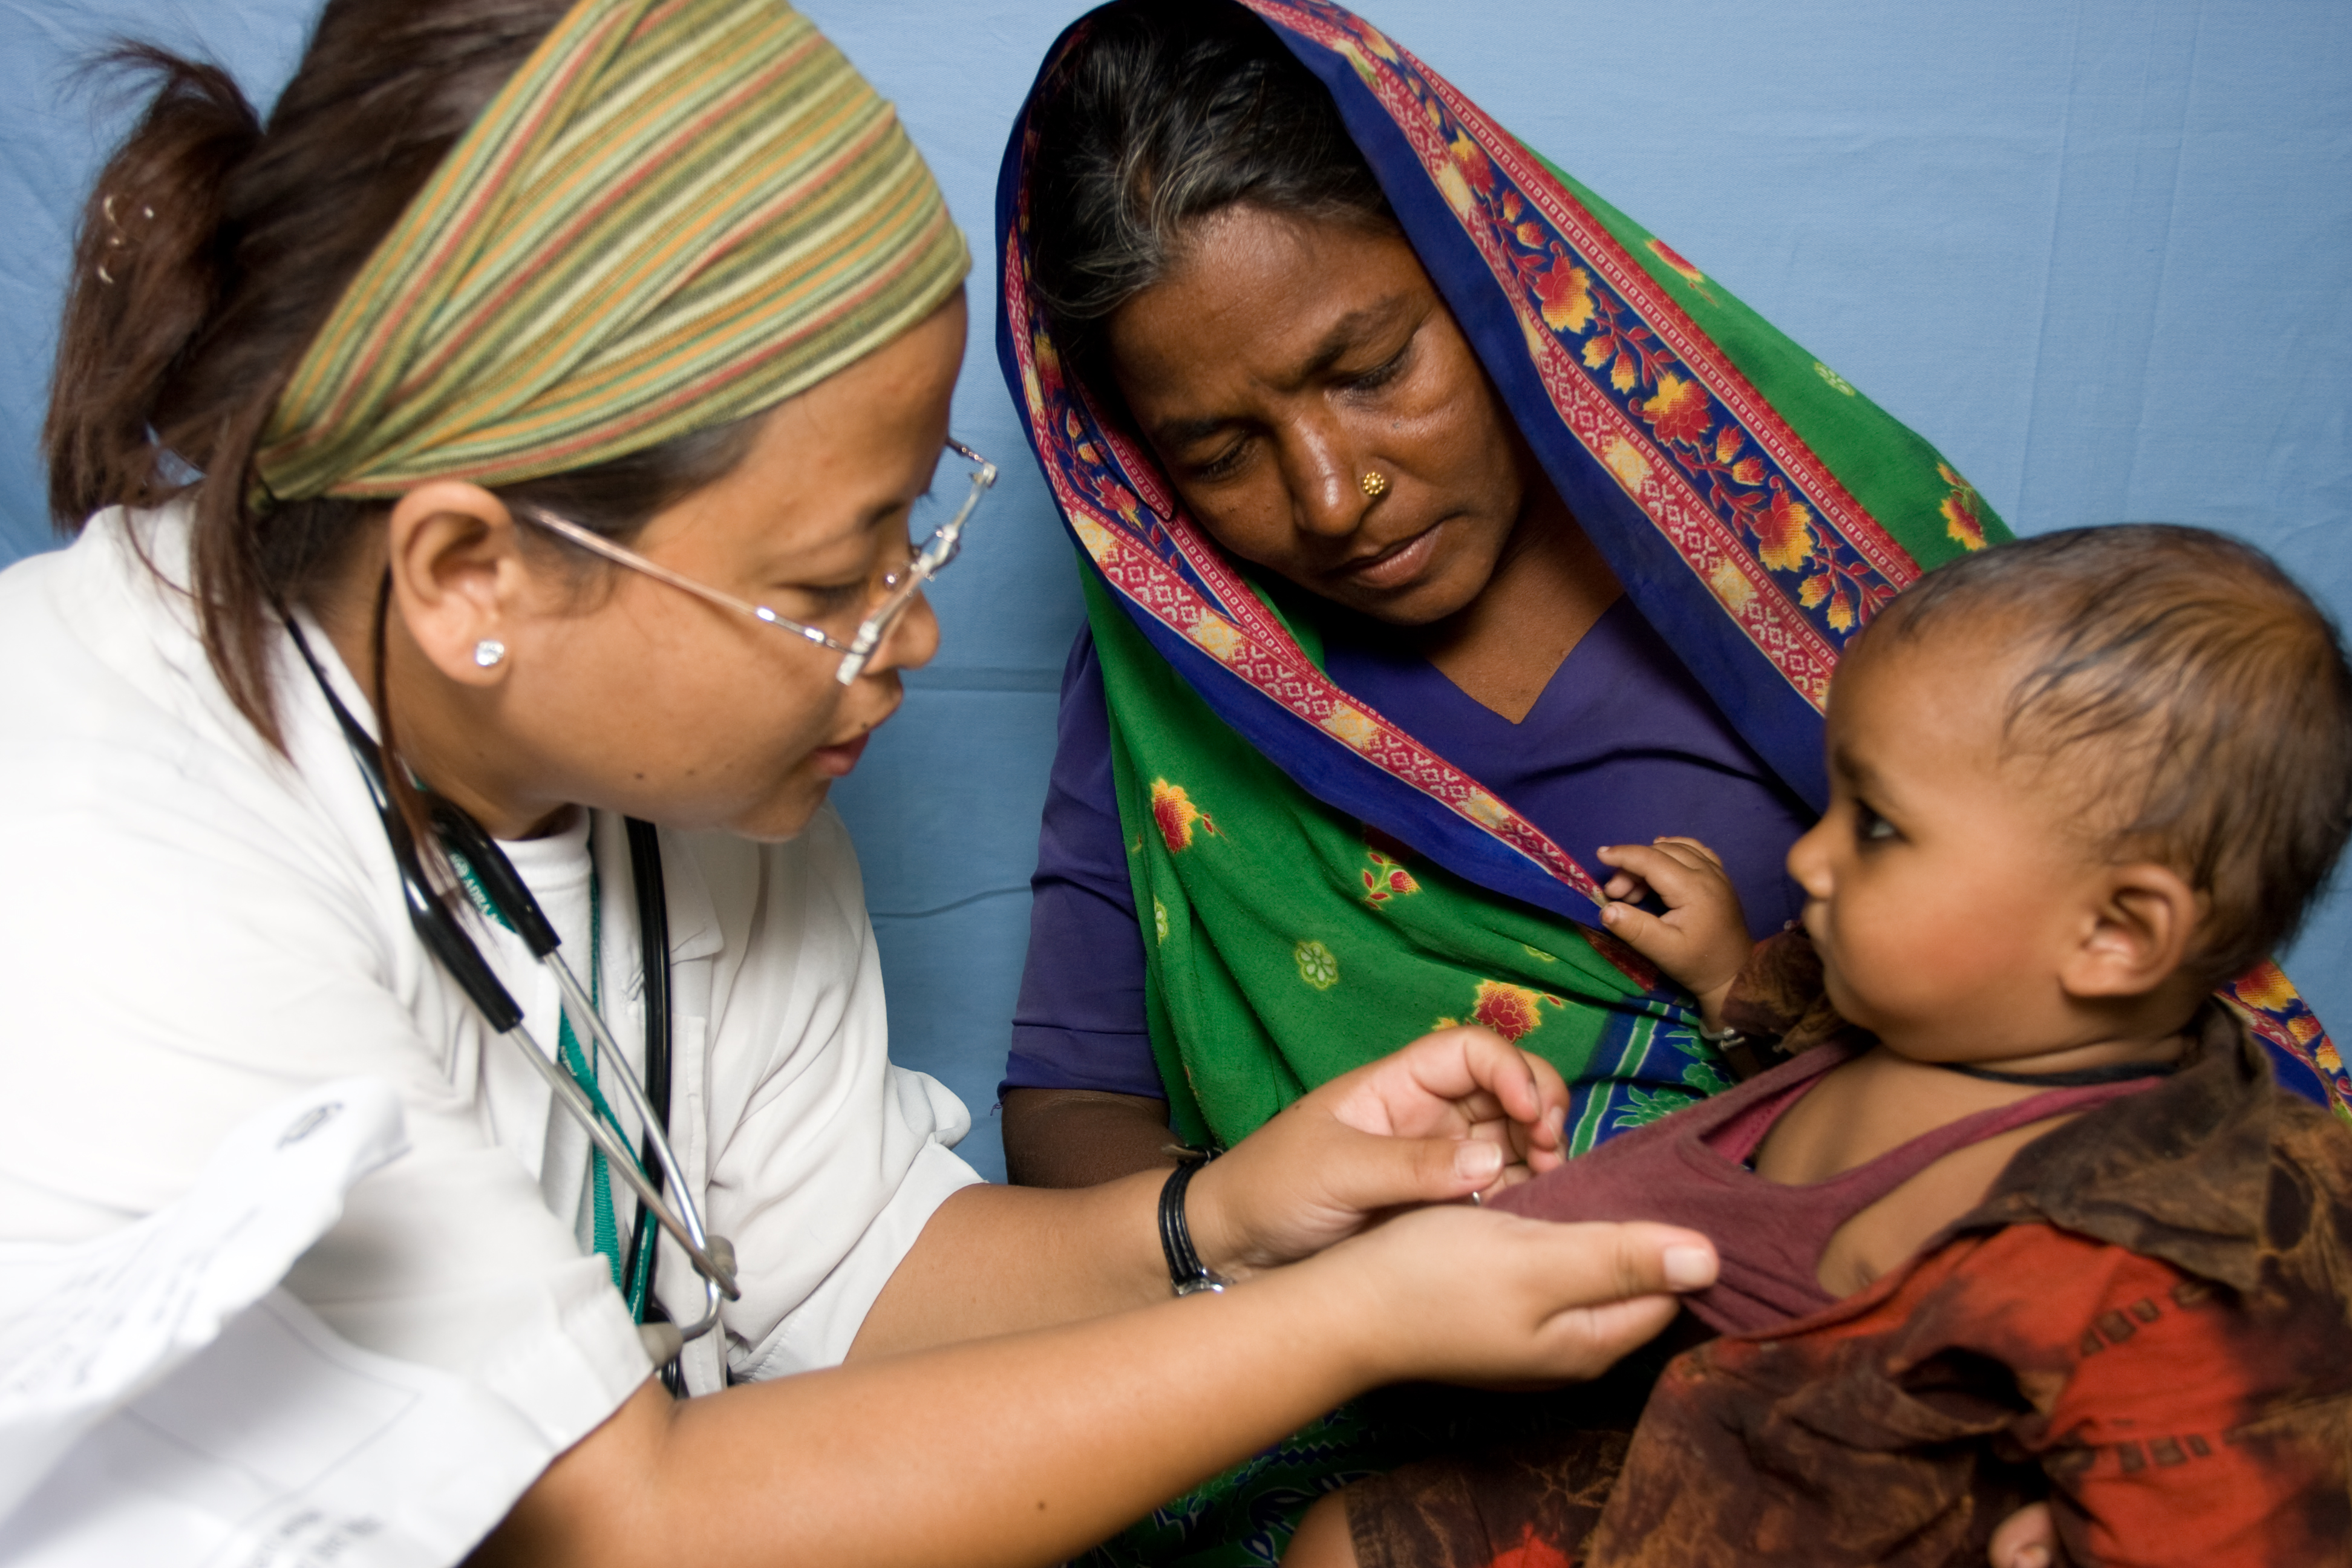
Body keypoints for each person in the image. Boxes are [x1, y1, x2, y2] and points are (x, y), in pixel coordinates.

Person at [0, 1, 1733, 1561]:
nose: (907, 633)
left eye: (911, 527)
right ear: (471, 578)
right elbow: (623, 1523)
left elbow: (856, 1274)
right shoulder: (95, 854)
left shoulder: (688, 776)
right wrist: (1350, 1323)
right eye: (831, 577)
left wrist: (1230, 1217)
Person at [992, 0, 2344, 1198]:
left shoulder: (1810, 540)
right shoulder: (1188, 667)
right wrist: (1300, 1275)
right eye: (1219, 453)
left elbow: (2107, 1011)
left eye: (1374, 370)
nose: (1335, 497)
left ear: (1484, 273)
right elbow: (1072, 1107)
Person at [1292, 524, 2352, 1568]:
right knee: (1344, 1540)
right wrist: (1725, 977)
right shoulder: (1915, 1010)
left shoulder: (2189, 1241)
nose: (1809, 856)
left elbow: (2237, 1502)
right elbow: (1789, 1045)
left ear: (2117, 933)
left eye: (1876, 827)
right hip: (1680, 1460)